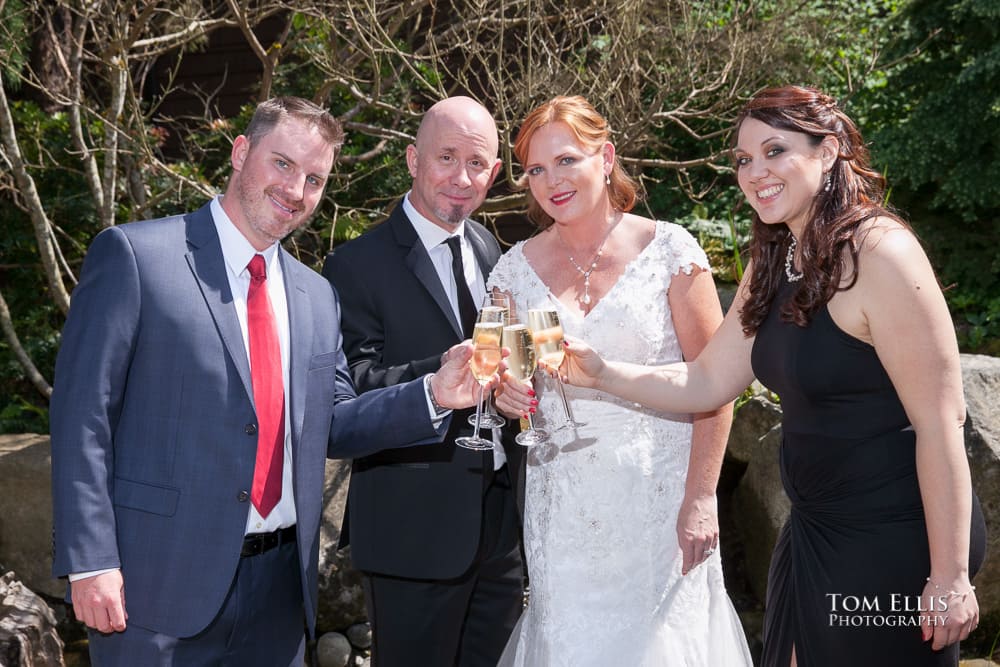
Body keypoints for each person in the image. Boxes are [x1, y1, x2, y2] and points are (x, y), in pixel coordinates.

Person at [552, 86, 987, 666]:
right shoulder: (776, 258)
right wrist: (601, 372)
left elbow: (941, 422)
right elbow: (706, 381)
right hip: (812, 528)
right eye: (743, 159)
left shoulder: (882, 254)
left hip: (895, 536)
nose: (755, 172)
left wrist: (950, 576)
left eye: (775, 151)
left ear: (828, 151)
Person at [49, 96, 486, 666]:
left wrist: (433, 393)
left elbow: (334, 420)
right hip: (154, 589)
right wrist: (91, 560)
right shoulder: (137, 257)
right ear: (240, 152)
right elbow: (84, 417)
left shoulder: (315, 296)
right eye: (282, 164)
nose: (296, 189)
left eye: (314, 178)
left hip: (280, 594)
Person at [490, 95, 753, 666]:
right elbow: (510, 380)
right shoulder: (512, 269)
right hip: (562, 505)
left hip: (659, 504)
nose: (550, 181)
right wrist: (509, 396)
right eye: (535, 169)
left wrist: (701, 497)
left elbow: (717, 384)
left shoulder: (671, 252)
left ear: (605, 158)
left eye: (566, 160)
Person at [321, 96, 524, 667]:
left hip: (501, 524)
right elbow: (351, 389)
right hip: (414, 531)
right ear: (412, 159)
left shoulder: (491, 249)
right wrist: (439, 373)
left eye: (478, 164)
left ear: (494, 173)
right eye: (446, 158)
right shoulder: (353, 266)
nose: (461, 179)